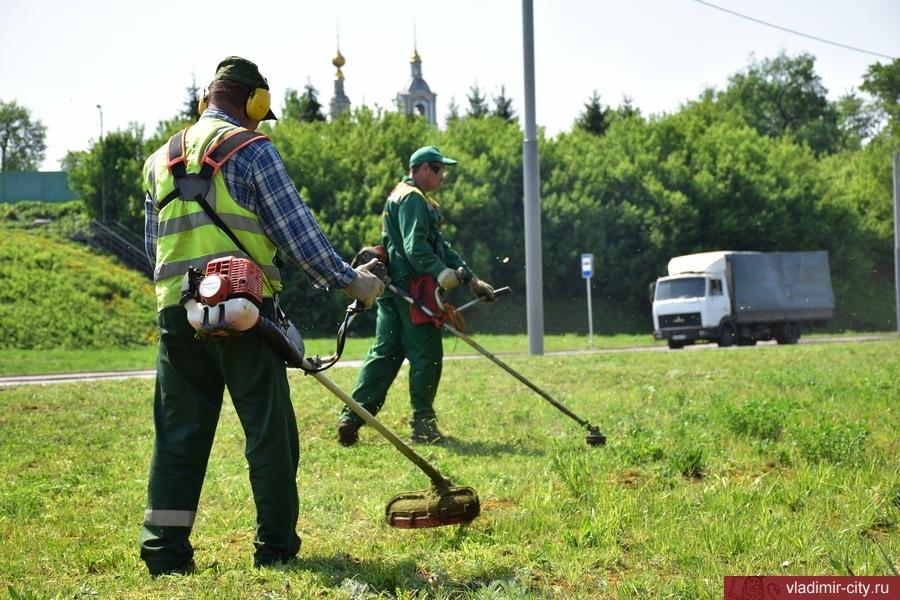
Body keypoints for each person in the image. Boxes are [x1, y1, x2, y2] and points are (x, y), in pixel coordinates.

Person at [139, 56, 384, 575]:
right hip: (244, 311)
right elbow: (299, 236)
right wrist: (352, 281)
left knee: (178, 435)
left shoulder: (159, 159)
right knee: (269, 435)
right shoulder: (253, 149)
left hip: (176, 316)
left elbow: (152, 251)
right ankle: (273, 549)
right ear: (256, 102)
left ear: (207, 97)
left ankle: (164, 552)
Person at [337, 146, 496, 446]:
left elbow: (441, 246)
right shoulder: (412, 199)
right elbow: (416, 248)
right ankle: (423, 425)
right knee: (427, 356)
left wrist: (472, 279)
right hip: (413, 292)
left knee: (384, 355)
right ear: (420, 168)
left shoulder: (407, 195)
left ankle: (351, 417)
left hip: (393, 289)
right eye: (438, 169)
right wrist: (439, 273)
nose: (442, 175)